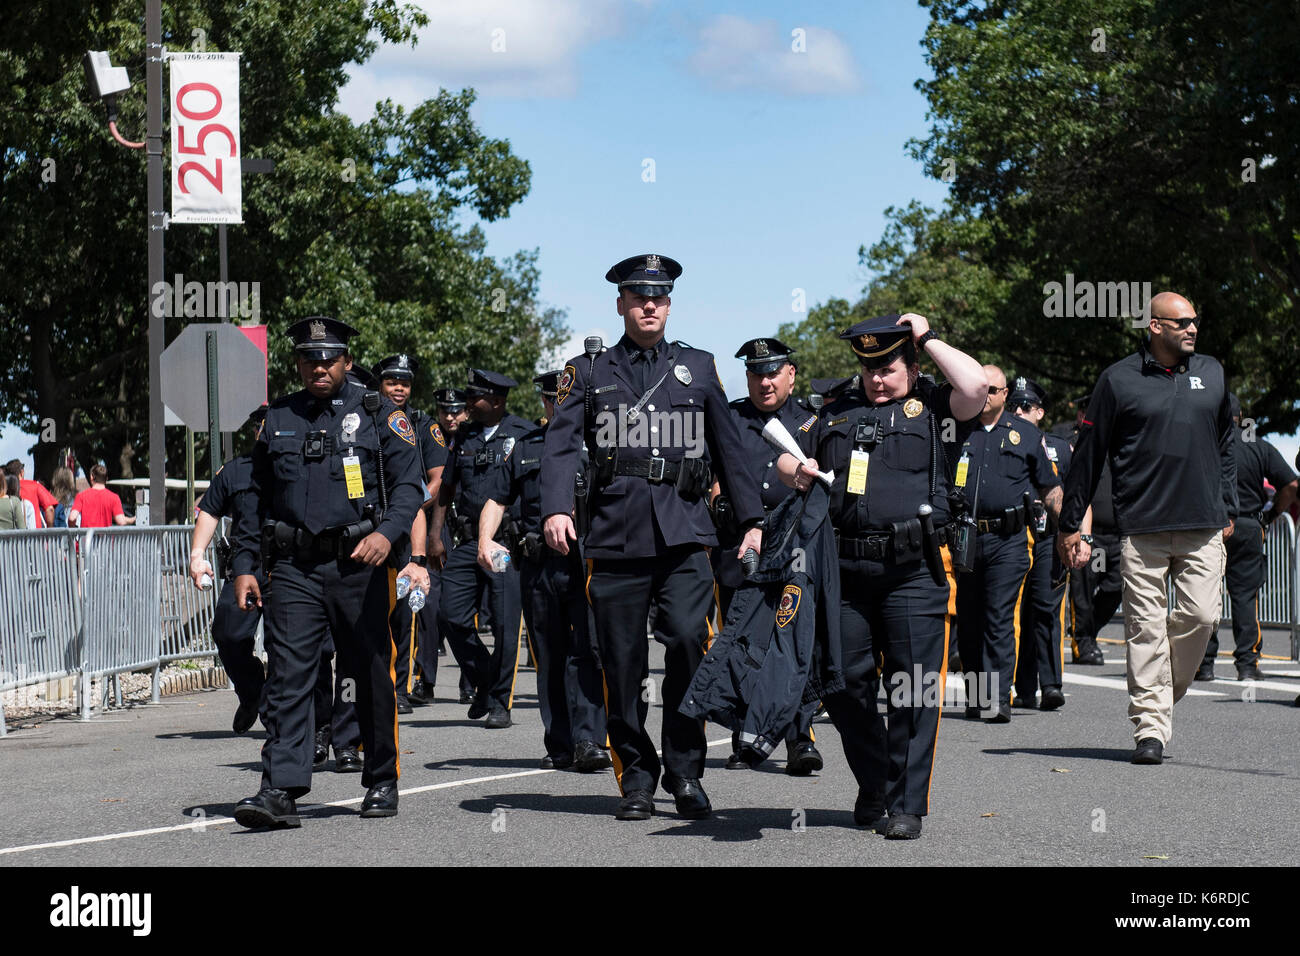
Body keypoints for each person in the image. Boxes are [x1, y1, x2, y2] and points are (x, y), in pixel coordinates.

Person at [540, 253, 764, 822]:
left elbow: (730, 449)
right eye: (639, 296)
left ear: (669, 304)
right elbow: (561, 445)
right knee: (620, 664)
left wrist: (752, 520)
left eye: (658, 297)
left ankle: (686, 773)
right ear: (621, 304)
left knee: (690, 642)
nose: (649, 305)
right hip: (615, 537)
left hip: (686, 533)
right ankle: (636, 777)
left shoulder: (699, 365)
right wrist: (556, 508)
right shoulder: (588, 372)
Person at [782, 312, 987, 840]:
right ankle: (874, 780)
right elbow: (788, 462)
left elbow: (977, 385)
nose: (877, 378)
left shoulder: (939, 407)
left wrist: (929, 335)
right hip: (845, 570)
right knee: (844, 684)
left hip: (914, 569)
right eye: (869, 368)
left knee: (913, 691)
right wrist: (795, 470)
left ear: (913, 365)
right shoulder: (836, 412)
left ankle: (905, 803)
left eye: (889, 367)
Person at [231, 316, 425, 828]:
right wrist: (245, 563)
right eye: (309, 359)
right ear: (297, 363)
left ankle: (381, 778)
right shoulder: (278, 418)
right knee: (290, 676)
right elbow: (253, 497)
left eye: (329, 359)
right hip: (294, 566)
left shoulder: (380, 412)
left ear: (346, 361)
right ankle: (280, 789)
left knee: (367, 672)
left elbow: (409, 486)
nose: (319, 367)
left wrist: (388, 535)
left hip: (360, 562)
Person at [1059, 292, 1237, 765]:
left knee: (1201, 618)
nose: (1192, 329)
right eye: (1181, 323)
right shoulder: (1118, 380)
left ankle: (1158, 697)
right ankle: (1150, 727)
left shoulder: (1213, 373)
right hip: (1142, 526)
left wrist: (1230, 508)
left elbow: (1225, 444)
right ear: (1154, 326)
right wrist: (1069, 522)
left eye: (1196, 321)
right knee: (1144, 628)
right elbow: (1090, 454)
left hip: (1203, 523)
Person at [476, 370, 611, 772]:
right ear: (546, 403)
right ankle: (561, 742)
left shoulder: (600, 445)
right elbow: (497, 499)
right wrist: (485, 539)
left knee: (588, 651)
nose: (560, 407)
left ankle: (589, 739)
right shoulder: (524, 447)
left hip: (586, 562)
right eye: (555, 401)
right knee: (549, 656)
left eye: (570, 402)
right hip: (538, 565)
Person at [712, 336, 822, 775]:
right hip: (739, 540)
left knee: (793, 640)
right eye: (756, 373)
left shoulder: (813, 422)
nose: (764, 381)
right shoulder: (730, 418)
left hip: (792, 542)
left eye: (773, 372)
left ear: (790, 374)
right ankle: (745, 736)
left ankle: (800, 736)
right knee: (740, 641)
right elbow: (713, 470)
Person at [427, 369, 533, 729]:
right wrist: (435, 536)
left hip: (506, 542)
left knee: (505, 624)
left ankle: (500, 702)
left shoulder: (523, 435)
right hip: (469, 539)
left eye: (476, 398)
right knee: (449, 612)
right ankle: (485, 679)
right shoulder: (465, 437)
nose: (468, 403)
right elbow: (447, 488)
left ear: (498, 400)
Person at [954, 366, 1061, 722]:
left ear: (1004, 396)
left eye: (992, 390)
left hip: (1008, 540)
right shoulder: (955, 430)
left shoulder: (1026, 435)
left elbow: (1049, 487)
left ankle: (998, 699)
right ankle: (975, 697)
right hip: (966, 538)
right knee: (968, 620)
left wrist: (1070, 528)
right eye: (979, 389)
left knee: (999, 617)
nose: (984, 396)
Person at [1196, 394, 1297, 682]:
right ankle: (1248, 665)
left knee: (1205, 595)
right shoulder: (1258, 445)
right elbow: (1290, 484)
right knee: (1245, 598)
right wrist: (1272, 514)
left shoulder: (1205, 444)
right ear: (1240, 417)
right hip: (1249, 525)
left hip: (1210, 527)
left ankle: (1204, 664)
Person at [371, 353, 448, 712]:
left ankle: (399, 688)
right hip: (368, 529)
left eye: (404, 382)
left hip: (406, 529)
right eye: (391, 382)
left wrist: (407, 506)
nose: (398, 388)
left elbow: (438, 479)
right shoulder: (367, 419)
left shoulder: (421, 424)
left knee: (405, 614)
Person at [188, 409, 268, 735]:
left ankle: (309, 727)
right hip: (246, 567)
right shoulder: (235, 472)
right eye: (264, 427)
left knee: (295, 648)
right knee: (227, 634)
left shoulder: (302, 468)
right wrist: (197, 555)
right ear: (255, 431)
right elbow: (209, 510)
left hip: (292, 566)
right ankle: (252, 692)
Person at [1009, 377, 1070, 710]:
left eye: (1026, 406)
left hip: (1049, 537)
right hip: (1015, 535)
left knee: (1045, 609)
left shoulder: (1060, 448)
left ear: (1040, 412)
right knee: (1019, 613)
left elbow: (1075, 494)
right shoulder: (1004, 440)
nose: (1018, 410)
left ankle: (1050, 685)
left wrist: (1078, 535)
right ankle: (1023, 686)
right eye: (1014, 405)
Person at [1059, 394, 1117, 665]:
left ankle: (1087, 630)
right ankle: (1083, 643)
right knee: (1082, 593)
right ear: (1082, 414)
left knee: (1117, 587)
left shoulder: (1115, 441)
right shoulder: (1074, 442)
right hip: (1089, 532)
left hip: (1117, 534)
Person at [71, 463, 135, 527]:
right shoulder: (114, 497)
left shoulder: (81, 496)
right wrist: (134, 519)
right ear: (106, 479)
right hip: (105, 536)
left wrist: (73, 527)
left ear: (91, 477)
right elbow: (121, 521)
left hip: (87, 536)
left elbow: (72, 518)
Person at [5, 459, 56, 528]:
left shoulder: (4, 490)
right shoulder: (35, 486)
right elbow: (50, 509)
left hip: (10, 535)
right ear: (21, 472)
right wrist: (50, 530)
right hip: (34, 535)